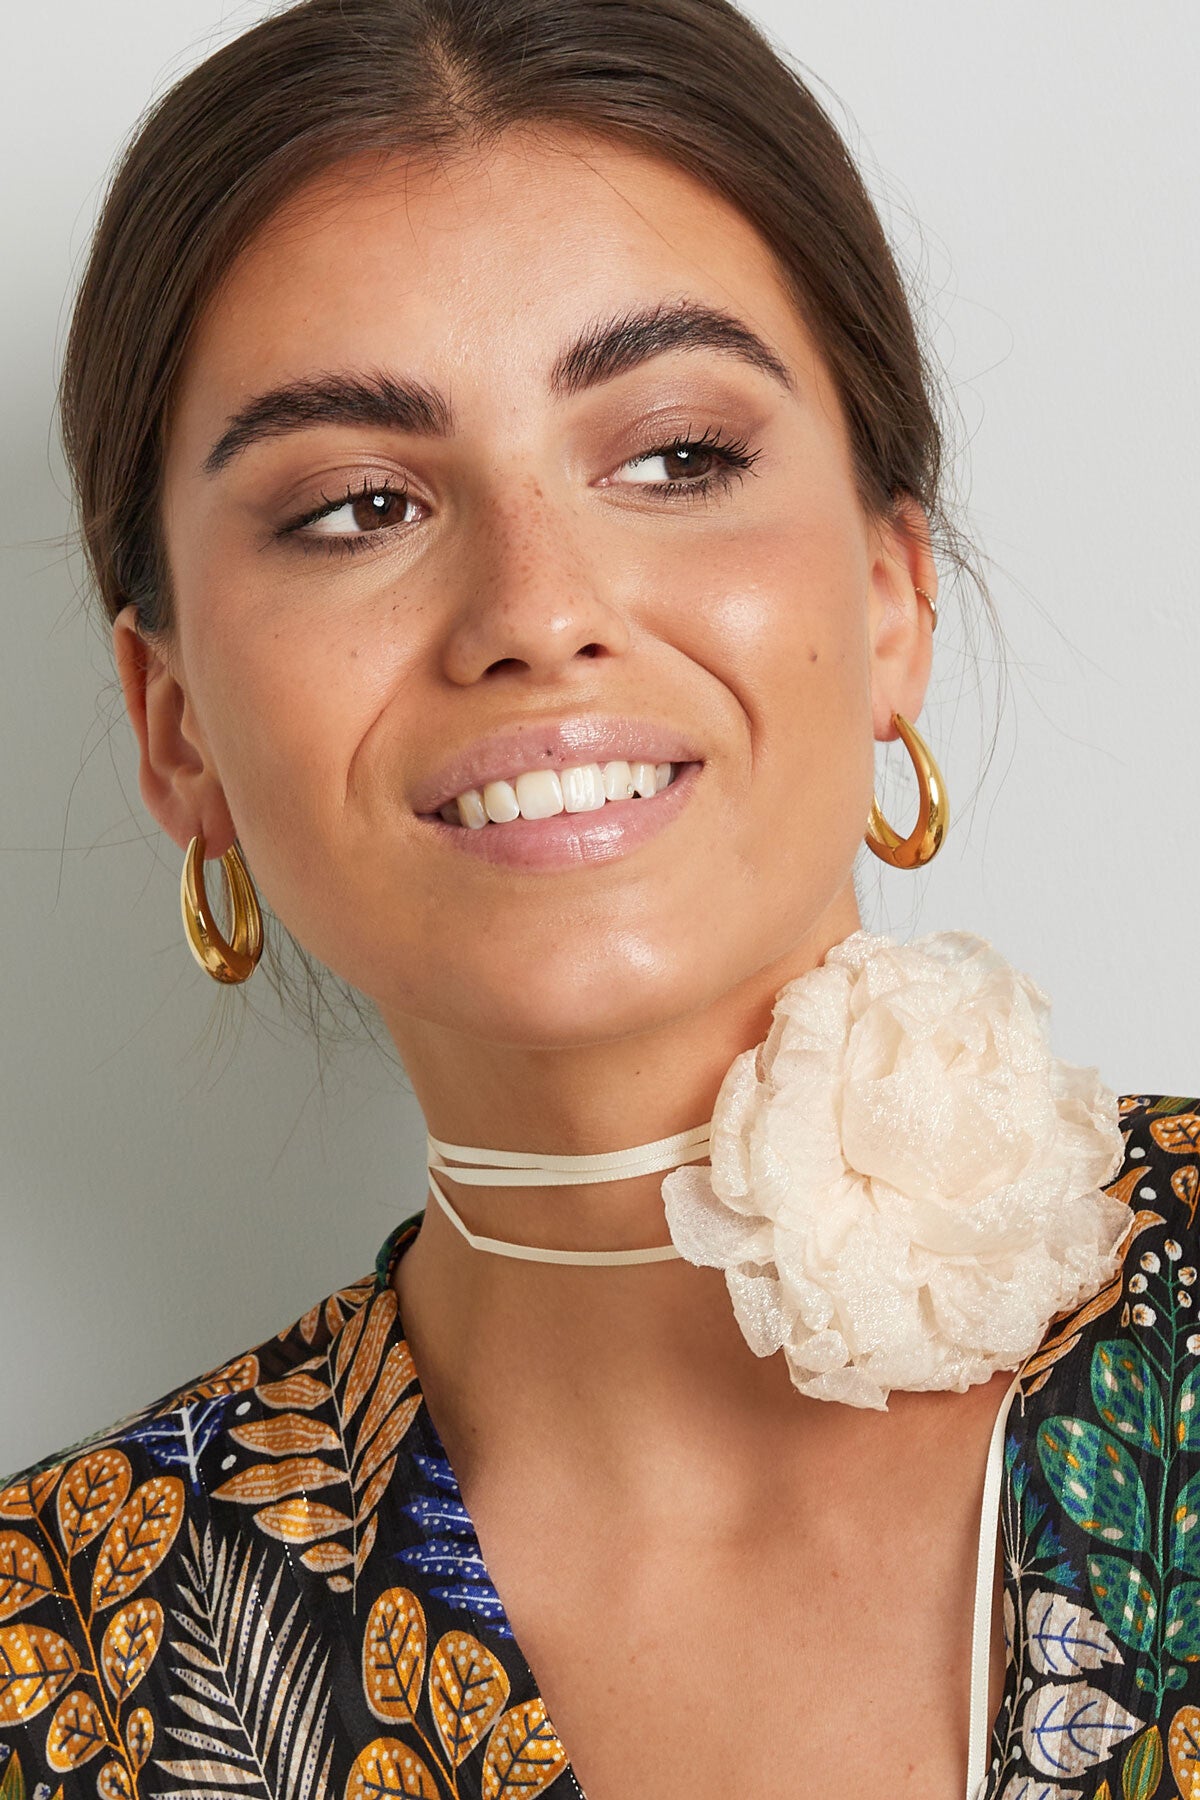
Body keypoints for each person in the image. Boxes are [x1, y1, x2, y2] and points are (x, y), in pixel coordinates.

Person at [1, 1, 1194, 1797]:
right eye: (358, 506)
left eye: (678, 457)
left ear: (892, 597)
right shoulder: (61, 1662)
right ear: (173, 725)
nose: (538, 610)